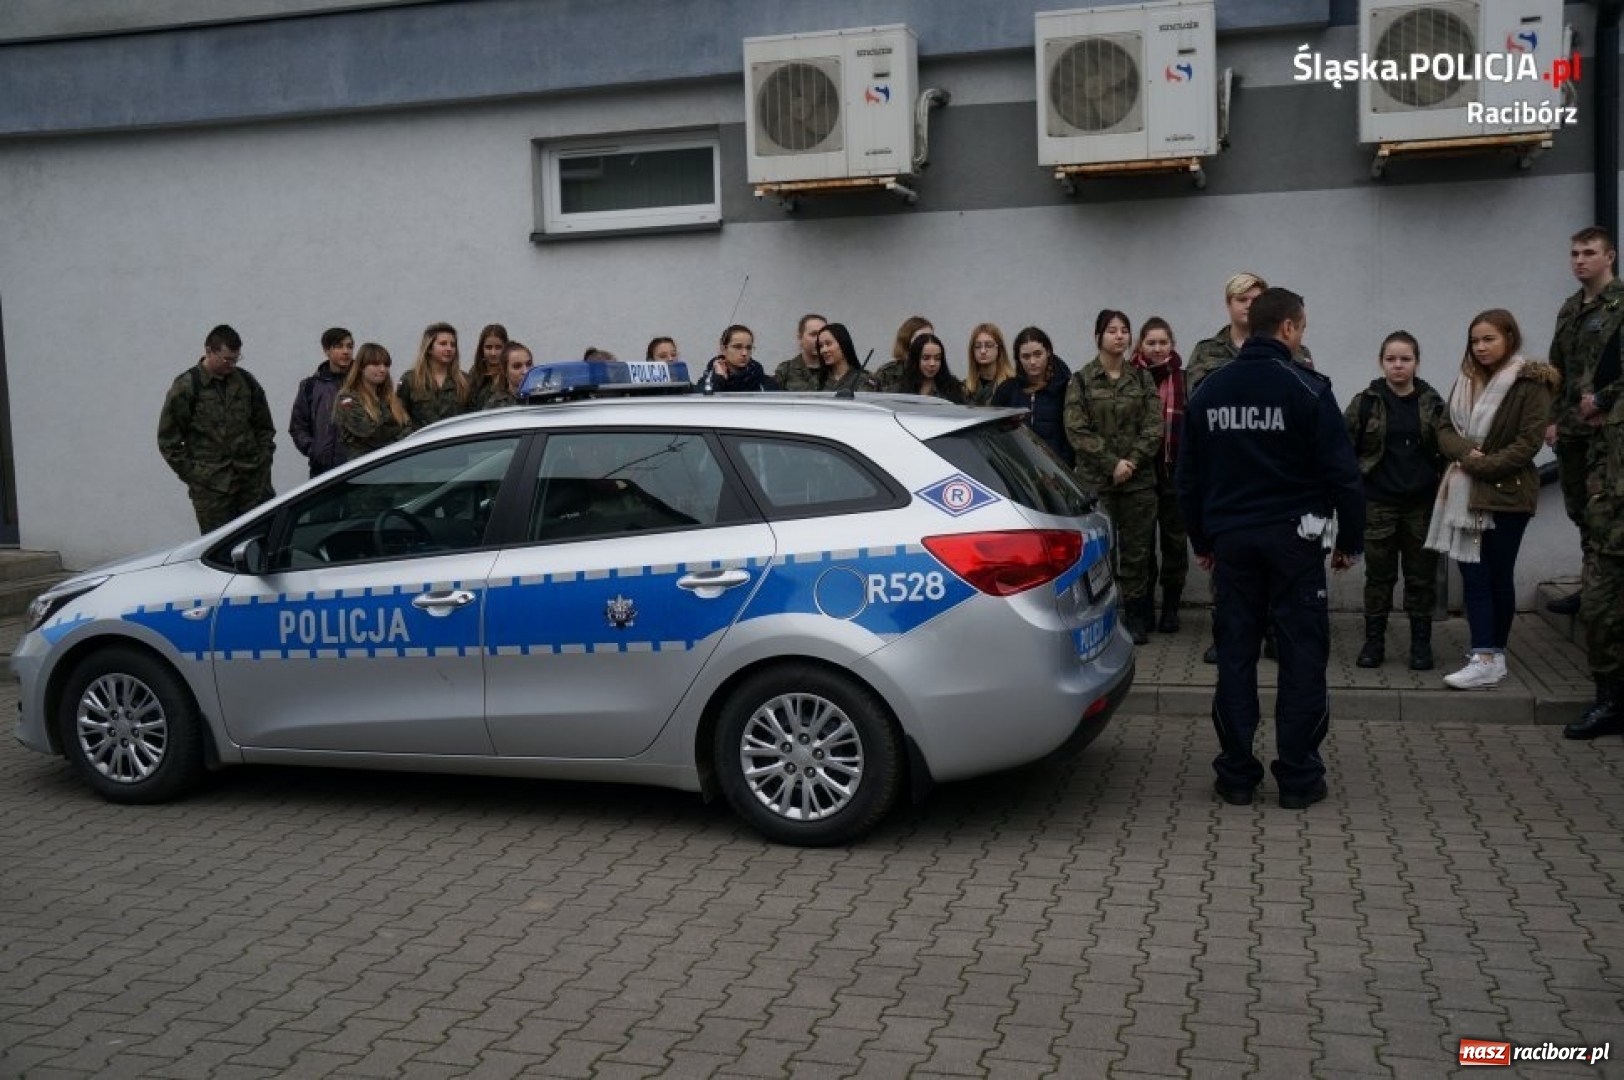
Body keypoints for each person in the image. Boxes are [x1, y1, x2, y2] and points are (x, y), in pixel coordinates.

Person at [1176, 287, 1365, 811]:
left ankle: (1236, 775)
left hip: (1232, 543)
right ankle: (1299, 778)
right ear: (1287, 328)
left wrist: (1203, 540)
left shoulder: (1209, 390)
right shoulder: (1307, 389)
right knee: (1302, 657)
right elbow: (1344, 475)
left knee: (1236, 656)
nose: (1302, 335)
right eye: (1301, 327)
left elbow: (1187, 479)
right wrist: (1349, 540)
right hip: (1294, 543)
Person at [1426, 310, 1559, 690]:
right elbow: (1444, 428)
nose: (1481, 347)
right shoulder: (1466, 380)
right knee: (1474, 574)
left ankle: (1493, 653)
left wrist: (1481, 467)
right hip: (1465, 493)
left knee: (1497, 574)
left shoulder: (1531, 383)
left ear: (1509, 338)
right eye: (1475, 340)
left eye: (1489, 339)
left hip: (1507, 494)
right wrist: (1468, 455)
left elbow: (1528, 443)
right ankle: (1484, 654)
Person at [1186, 272, 1283, 665]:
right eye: (1240, 299)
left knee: (1276, 557)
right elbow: (1198, 403)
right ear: (1228, 304)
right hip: (1224, 473)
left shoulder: (1288, 346)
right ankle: (1226, 633)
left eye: (1255, 299)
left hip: (1273, 473)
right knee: (1226, 563)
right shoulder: (1207, 351)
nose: (1247, 305)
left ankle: (1275, 632)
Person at [1343, 331, 1446, 670]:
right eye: (1391, 359)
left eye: (1405, 359)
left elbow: (1446, 448)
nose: (1398, 366)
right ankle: (1374, 644)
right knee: (1379, 578)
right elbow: (1346, 449)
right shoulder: (1366, 402)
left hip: (1421, 504)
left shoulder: (1432, 402)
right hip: (1378, 503)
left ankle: (1420, 645)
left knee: (1420, 578)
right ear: (1381, 362)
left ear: (1416, 362)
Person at [1065, 310, 1162, 643]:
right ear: (1098, 337)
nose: (1119, 336)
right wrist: (1111, 464)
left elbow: (1154, 426)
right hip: (1099, 484)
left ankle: (1136, 615)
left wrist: (1131, 463)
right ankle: (1104, 615)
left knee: (1137, 553)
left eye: (1124, 330)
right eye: (1112, 331)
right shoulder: (1081, 380)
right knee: (1101, 554)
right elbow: (1077, 430)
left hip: (1138, 483)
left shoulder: (1142, 378)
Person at [1545, 226, 1624, 615]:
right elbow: (1556, 370)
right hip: (1572, 430)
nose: (1580, 260)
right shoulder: (1569, 308)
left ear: (1609, 257)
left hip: (1609, 430)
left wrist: (1603, 401)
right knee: (1579, 510)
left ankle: (1604, 593)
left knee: (1605, 513)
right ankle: (1590, 588)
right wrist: (1552, 419)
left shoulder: (1620, 305)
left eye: (1589, 253)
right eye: (1575, 253)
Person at [157, 324, 277, 533]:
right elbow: (169, 440)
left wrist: (263, 460)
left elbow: (264, 427)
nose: (232, 365)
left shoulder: (246, 381)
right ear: (209, 351)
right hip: (213, 491)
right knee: (219, 551)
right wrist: (195, 476)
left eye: (236, 358)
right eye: (226, 359)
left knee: (260, 542)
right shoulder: (187, 386)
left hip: (253, 483)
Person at [1563, 369, 1624, 738]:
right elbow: (1596, 454)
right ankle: (1610, 702)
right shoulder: (1612, 399)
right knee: (1598, 611)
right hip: (1610, 528)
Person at [1131, 316, 1189, 633]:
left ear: (1172, 345)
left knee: (1174, 544)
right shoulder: (1129, 378)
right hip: (1139, 475)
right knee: (1141, 546)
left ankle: (1170, 608)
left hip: (1173, 473)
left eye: (1162, 342)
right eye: (1151, 342)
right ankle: (1143, 610)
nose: (1156, 348)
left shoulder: (1184, 378)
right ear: (1141, 345)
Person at [992, 327, 1073, 465]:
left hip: (1057, 473)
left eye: (1037, 354)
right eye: (1026, 356)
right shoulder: (1007, 390)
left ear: (1048, 352)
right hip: (1018, 471)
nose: (1033, 362)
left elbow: (1071, 436)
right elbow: (994, 433)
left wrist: (1062, 468)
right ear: (1018, 358)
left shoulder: (1064, 388)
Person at [288, 327, 354, 478]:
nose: (346, 351)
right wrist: (314, 450)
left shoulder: (363, 382)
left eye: (349, 346)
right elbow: (297, 427)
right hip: (323, 471)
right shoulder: (310, 386)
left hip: (359, 466)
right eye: (339, 346)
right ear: (326, 351)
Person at [336, 342, 411, 460]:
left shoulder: (390, 398)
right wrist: (396, 436)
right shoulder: (348, 399)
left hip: (394, 463)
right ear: (361, 367)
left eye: (386, 365)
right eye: (375, 364)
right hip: (365, 467)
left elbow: (408, 427)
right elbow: (369, 433)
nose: (382, 369)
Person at [398, 322, 468, 428]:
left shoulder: (464, 381)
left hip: (455, 442)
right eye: (443, 344)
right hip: (423, 442)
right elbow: (399, 416)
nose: (449, 349)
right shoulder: (411, 379)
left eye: (453, 345)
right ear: (429, 348)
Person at [699, 325, 776, 392]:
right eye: (738, 347)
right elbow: (703, 404)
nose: (744, 353)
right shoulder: (707, 382)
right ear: (723, 349)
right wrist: (719, 379)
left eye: (749, 348)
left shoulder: (764, 383)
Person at [814, 322, 878, 395]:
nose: (824, 350)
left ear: (843, 344)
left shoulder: (864, 379)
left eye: (828, 344)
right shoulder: (817, 380)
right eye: (821, 346)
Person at [873, 315, 932, 393]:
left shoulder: (941, 375)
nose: (927, 343)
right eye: (920, 338)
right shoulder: (886, 374)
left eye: (931, 338)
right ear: (906, 341)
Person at [902, 333, 965, 403]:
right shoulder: (901, 386)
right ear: (916, 360)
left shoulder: (953, 387)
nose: (932, 363)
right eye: (926, 358)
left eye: (937, 358)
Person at [964, 323, 1014, 407]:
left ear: (999, 349)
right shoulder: (965, 388)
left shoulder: (1012, 385)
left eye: (989, 345)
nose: (983, 351)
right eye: (977, 346)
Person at [774, 313, 828, 391]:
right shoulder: (785, 370)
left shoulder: (835, 370)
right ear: (800, 338)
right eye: (813, 334)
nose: (818, 340)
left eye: (822, 334)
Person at [467, 324, 509, 410]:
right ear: (481, 349)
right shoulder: (475, 374)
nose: (493, 353)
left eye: (498, 348)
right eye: (488, 347)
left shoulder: (511, 374)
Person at [483, 342, 534, 409]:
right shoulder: (495, 405)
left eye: (529, 364)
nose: (525, 371)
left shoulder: (543, 396)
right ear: (505, 371)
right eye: (517, 366)